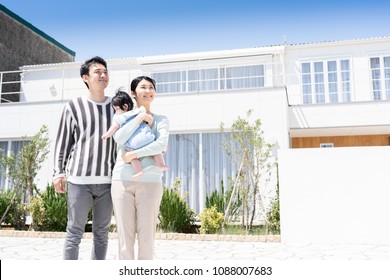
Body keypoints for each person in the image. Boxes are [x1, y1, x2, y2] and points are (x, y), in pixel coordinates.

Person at [53, 56, 116, 260]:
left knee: (102, 234)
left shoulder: (116, 107)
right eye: (98, 72)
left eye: (105, 72)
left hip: (107, 182)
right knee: (74, 233)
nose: (103, 75)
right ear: (85, 77)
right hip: (79, 181)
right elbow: (63, 142)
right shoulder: (74, 106)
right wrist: (58, 173)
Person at [111, 76, 169, 260]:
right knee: (124, 242)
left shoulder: (161, 120)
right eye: (143, 87)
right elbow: (118, 138)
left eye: (151, 87)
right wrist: (139, 119)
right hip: (122, 181)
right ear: (133, 93)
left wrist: (133, 155)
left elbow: (160, 145)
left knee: (147, 240)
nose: (148, 90)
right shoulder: (124, 117)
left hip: (151, 181)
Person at [102, 89, 168, 179]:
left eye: (116, 109)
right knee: (156, 152)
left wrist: (107, 134)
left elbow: (114, 127)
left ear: (125, 107)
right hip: (148, 138)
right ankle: (161, 165)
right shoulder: (139, 111)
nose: (116, 111)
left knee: (132, 157)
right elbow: (149, 120)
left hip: (134, 144)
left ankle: (138, 171)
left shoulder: (120, 117)